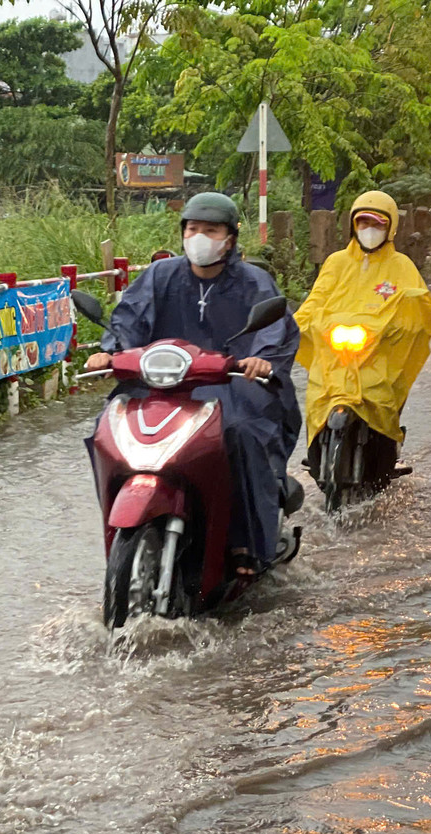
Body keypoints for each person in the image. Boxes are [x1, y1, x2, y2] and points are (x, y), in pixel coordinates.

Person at [83, 191, 300, 576]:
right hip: (161, 385)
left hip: (233, 386)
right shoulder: (159, 276)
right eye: (193, 229)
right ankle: (119, 527)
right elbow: (128, 320)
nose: (200, 237)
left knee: (242, 434)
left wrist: (261, 360)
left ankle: (247, 541)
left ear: (230, 239)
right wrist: (111, 352)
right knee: (107, 428)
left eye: (211, 230)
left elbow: (275, 330)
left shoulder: (255, 282)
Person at [294, 191, 431, 480]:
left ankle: (386, 454)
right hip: (336, 354)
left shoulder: (401, 266)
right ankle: (316, 451)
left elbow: (417, 305)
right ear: (352, 226)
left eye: (377, 224)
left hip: (378, 354)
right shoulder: (336, 262)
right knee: (317, 399)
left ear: (390, 228)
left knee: (383, 400)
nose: (369, 230)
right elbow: (316, 299)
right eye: (362, 223)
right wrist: (299, 322)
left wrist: (396, 326)